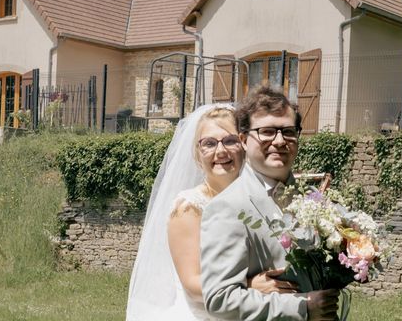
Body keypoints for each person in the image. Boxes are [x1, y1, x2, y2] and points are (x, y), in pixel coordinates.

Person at [127, 104, 296, 321]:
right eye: (209, 143)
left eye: (230, 141)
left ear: (244, 144)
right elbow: (193, 285)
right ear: (198, 154)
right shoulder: (189, 207)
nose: (221, 151)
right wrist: (249, 285)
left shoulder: (262, 199)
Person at [200, 86, 341, 321]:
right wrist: (302, 307)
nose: (279, 141)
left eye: (288, 132)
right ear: (244, 140)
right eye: (266, 132)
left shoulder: (312, 198)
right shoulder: (227, 207)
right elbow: (219, 299)